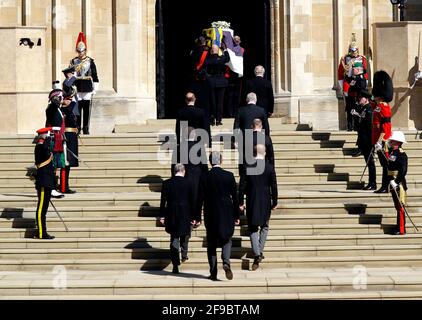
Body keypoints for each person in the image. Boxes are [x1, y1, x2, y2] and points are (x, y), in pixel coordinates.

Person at [198, 152, 240, 281]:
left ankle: (213, 272)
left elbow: (199, 198)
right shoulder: (229, 176)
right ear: (221, 161)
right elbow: (235, 197)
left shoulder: (204, 176)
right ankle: (226, 262)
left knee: (211, 243)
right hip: (226, 212)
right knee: (227, 239)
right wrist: (236, 215)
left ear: (210, 162)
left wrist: (196, 216)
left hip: (211, 213)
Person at [239, 144, 278, 271]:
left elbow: (242, 186)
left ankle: (257, 254)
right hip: (266, 200)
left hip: (252, 200)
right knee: (265, 226)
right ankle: (258, 252)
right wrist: (275, 201)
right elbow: (274, 186)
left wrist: (240, 201)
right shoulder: (270, 167)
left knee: (253, 228)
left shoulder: (248, 166)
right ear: (265, 153)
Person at [159, 164, 197, 274]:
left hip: (172, 214)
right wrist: (195, 216)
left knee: (174, 238)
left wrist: (162, 216)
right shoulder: (189, 183)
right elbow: (193, 201)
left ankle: (175, 264)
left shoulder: (167, 183)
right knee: (185, 235)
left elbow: (163, 202)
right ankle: (184, 254)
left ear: (174, 171)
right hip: (186, 214)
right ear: (183, 171)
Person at [69, 32, 99, 135]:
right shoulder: (73, 61)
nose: (80, 53)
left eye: (82, 51)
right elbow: (70, 74)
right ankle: (78, 127)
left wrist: (95, 88)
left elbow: (94, 75)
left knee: (86, 109)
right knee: (77, 109)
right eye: (78, 51)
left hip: (87, 86)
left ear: (85, 50)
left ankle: (85, 127)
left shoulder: (90, 61)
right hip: (77, 86)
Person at [234, 92, 270, 176]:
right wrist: (266, 138)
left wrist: (235, 140)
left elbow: (236, 126)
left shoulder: (241, 110)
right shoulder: (261, 110)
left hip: (244, 139)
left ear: (247, 100)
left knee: (243, 160)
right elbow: (266, 126)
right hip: (258, 139)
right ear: (256, 100)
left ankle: (244, 177)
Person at [338, 33, 368, 131]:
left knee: (360, 104)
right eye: (352, 50)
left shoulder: (362, 58)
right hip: (349, 84)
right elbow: (340, 73)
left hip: (359, 84)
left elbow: (366, 71)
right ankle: (350, 125)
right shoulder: (344, 59)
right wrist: (343, 87)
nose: (353, 52)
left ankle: (359, 125)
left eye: (355, 50)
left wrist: (365, 82)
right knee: (350, 106)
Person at [372, 70, 393, 193]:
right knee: (383, 165)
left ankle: (386, 186)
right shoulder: (378, 106)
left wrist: (379, 142)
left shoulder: (384, 107)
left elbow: (385, 128)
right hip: (378, 140)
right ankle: (385, 186)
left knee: (386, 166)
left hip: (383, 142)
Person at [33, 127, 56, 240]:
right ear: (43, 136)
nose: (48, 137)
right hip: (43, 181)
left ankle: (42, 231)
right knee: (42, 209)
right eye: (46, 135)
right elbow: (44, 150)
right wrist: (48, 139)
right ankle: (41, 233)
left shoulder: (44, 147)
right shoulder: (39, 147)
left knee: (43, 209)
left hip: (47, 181)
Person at [385, 131, 408, 235]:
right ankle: (398, 226)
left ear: (398, 142)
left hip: (398, 182)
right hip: (392, 180)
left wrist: (397, 181)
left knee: (400, 206)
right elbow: (387, 164)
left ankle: (401, 228)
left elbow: (403, 171)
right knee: (397, 206)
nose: (391, 141)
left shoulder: (401, 154)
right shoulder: (393, 152)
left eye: (393, 140)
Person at [353, 90, 376, 190]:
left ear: (366, 99)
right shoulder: (363, 109)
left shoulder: (369, 110)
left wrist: (372, 142)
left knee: (370, 163)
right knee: (368, 161)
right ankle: (371, 183)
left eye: (361, 98)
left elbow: (370, 127)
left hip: (368, 140)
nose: (359, 100)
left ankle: (372, 183)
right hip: (363, 139)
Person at [59, 80, 79, 194]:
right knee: (64, 163)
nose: (71, 101)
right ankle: (63, 187)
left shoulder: (68, 107)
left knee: (67, 164)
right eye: (69, 98)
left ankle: (64, 186)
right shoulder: (63, 108)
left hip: (71, 137)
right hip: (65, 137)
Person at [45, 89, 65, 198]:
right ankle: (51, 189)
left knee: (55, 166)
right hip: (53, 138)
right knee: (52, 165)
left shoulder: (57, 108)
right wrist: (54, 100)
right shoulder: (52, 108)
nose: (62, 99)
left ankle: (53, 188)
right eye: (60, 97)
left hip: (58, 138)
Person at [205, 43, 230, 126]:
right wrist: (225, 49)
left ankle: (212, 119)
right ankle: (218, 120)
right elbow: (228, 58)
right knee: (220, 102)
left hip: (211, 82)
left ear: (211, 51)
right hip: (221, 82)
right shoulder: (221, 59)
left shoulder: (208, 59)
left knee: (212, 101)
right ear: (218, 51)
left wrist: (207, 50)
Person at [224, 35, 244, 118]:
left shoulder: (241, 49)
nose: (236, 41)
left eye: (238, 40)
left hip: (237, 76)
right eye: (235, 40)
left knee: (237, 95)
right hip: (229, 75)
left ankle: (235, 112)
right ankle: (229, 112)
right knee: (229, 95)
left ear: (240, 41)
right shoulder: (229, 50)